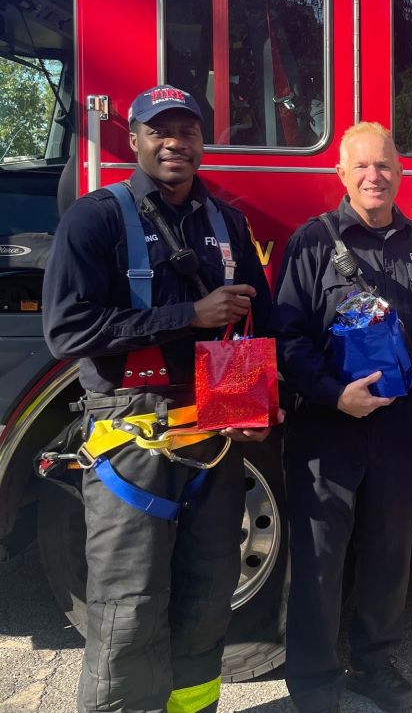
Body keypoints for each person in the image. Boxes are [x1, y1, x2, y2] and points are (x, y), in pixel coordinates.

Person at [42, 84, 275, 713]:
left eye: (188, 131)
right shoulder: (95, 218)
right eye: (160, 131)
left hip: (217, 433)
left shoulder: (228, 222)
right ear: (136, 140)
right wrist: (187, 315)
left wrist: (258, 407)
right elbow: (66, 331)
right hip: (130, 434)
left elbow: (256, 323)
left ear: (203, 140)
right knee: (129, 604)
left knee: (206, 596)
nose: (176, 142)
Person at [273, 122, 412, 713]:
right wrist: (333, 394)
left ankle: (374, 664)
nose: (376, 176)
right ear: (341, 174)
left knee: (389, 554)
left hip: (397, 433)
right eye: (363, 167)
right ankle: (315, 682)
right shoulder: (312, 243)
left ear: (400, 173)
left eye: (386, 166)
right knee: (319, 559)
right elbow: (287, 341)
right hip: (329, 428)